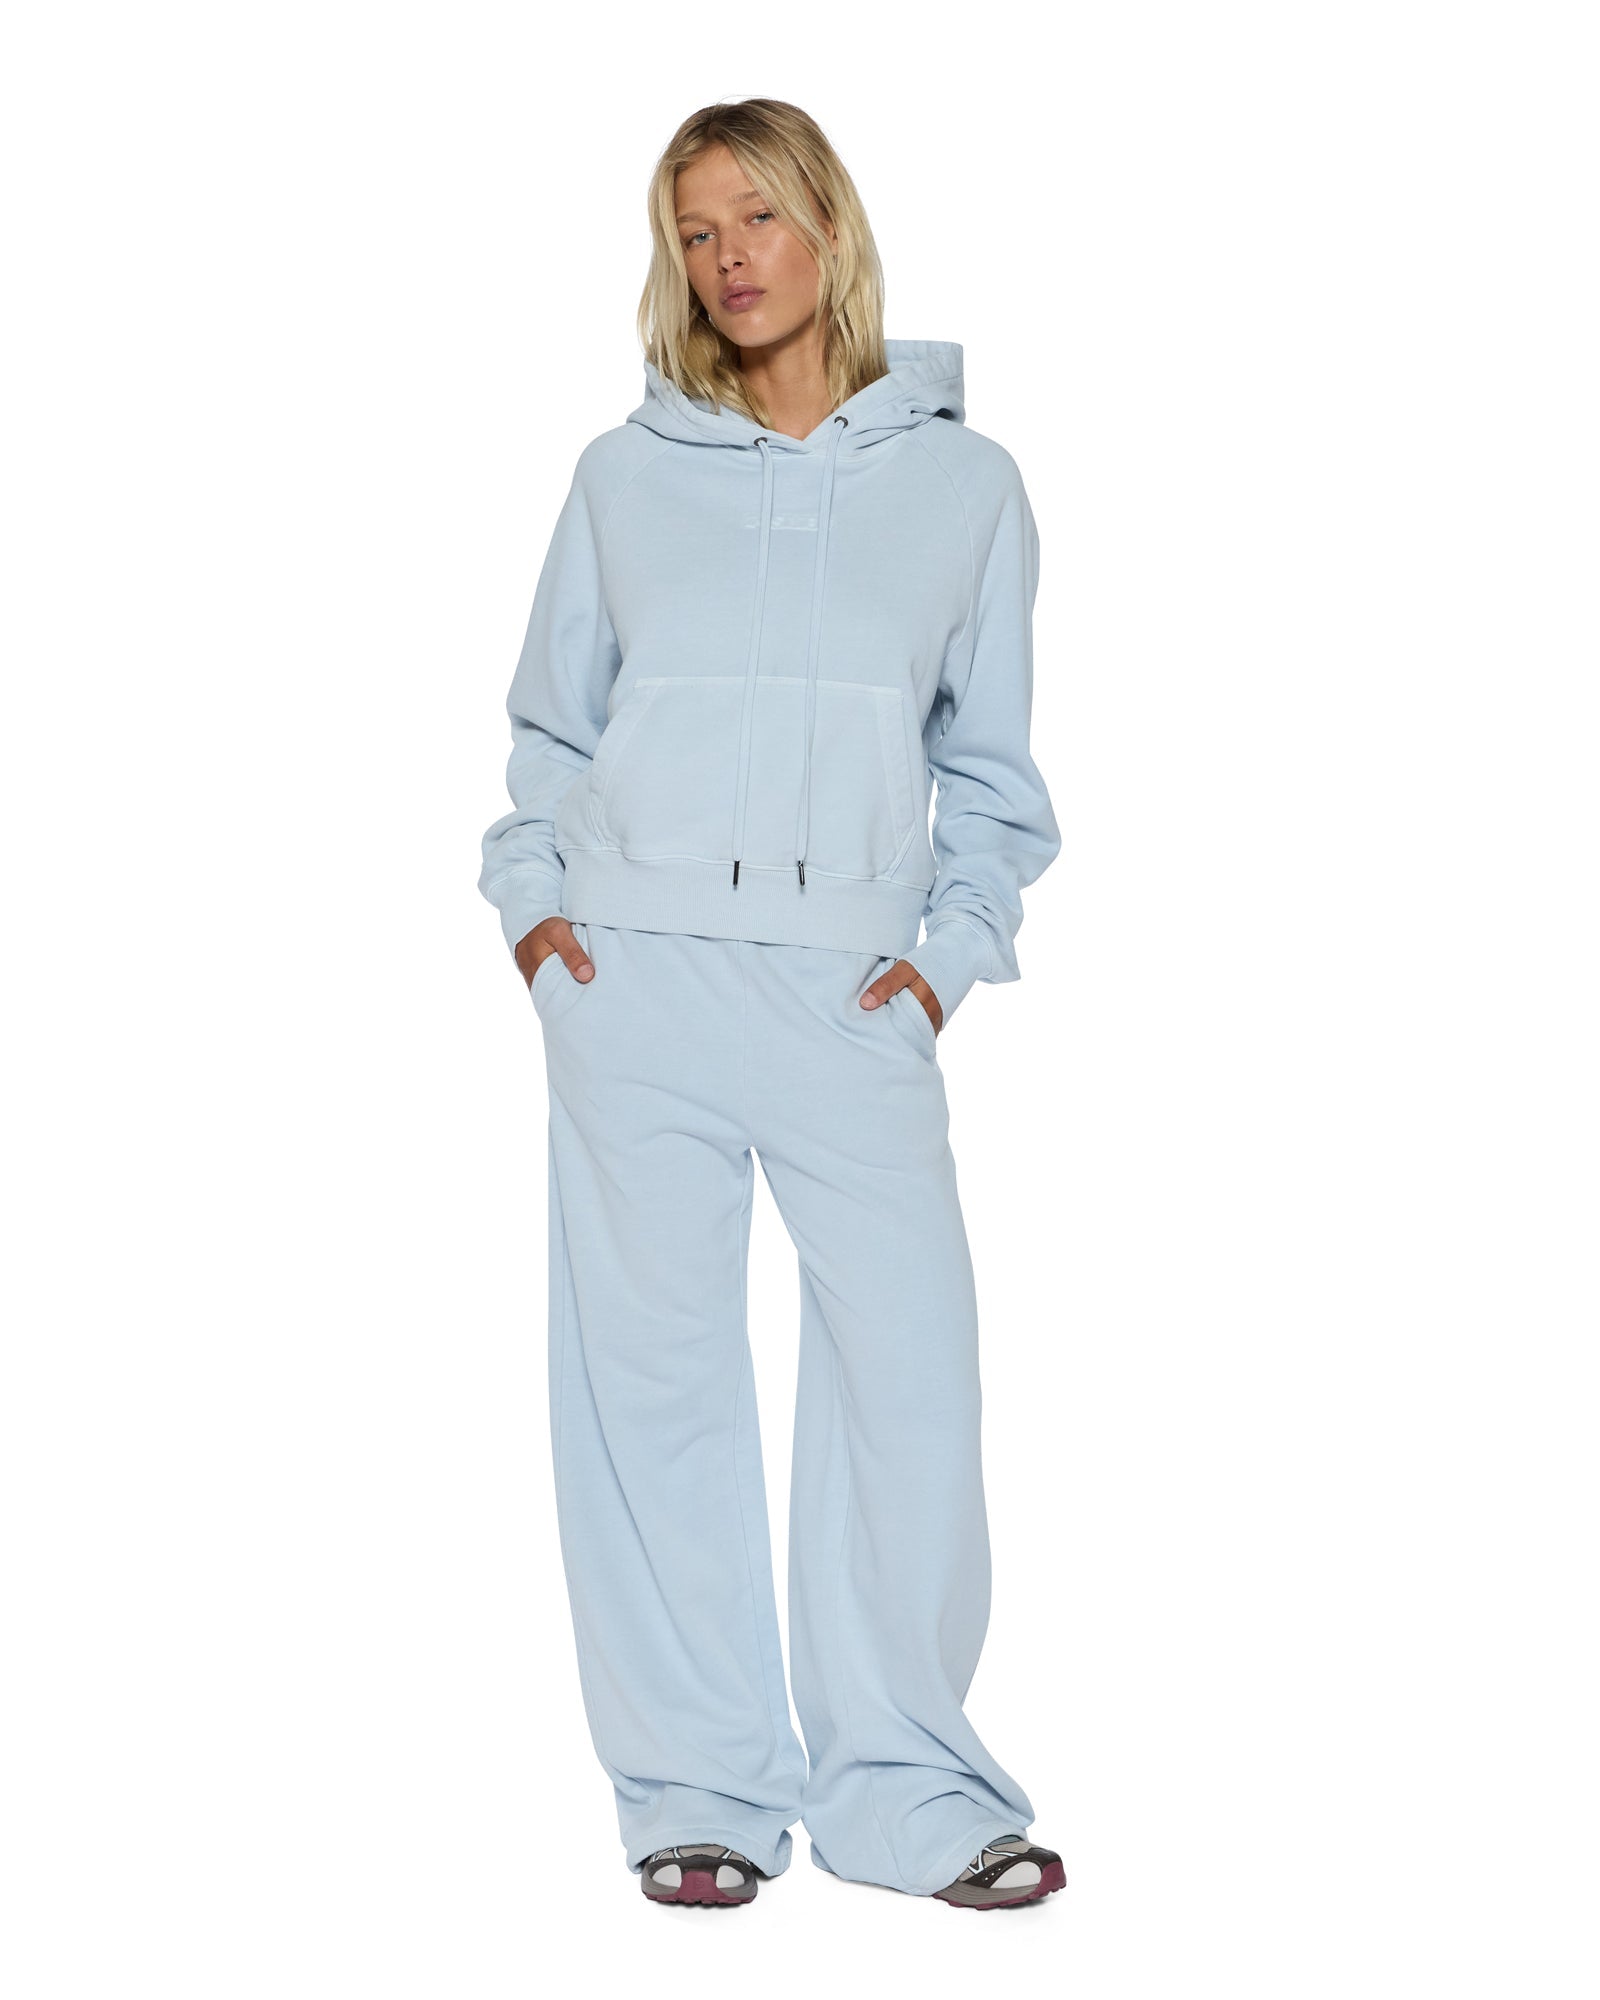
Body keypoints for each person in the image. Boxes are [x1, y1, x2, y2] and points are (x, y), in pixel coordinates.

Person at [478, 98, 1065, 1912]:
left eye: (756, 216)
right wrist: (538, 922)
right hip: (631, 977)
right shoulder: (622, 475)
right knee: (651, 1390)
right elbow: (551, 731)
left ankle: (907, 1792)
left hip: (850, 996)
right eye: (694, 230)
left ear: (828, 224)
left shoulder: (966, 488)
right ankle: (702, 1791)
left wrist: (944, 961)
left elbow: (993, 778)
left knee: (908, 1386)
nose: (727, 258)